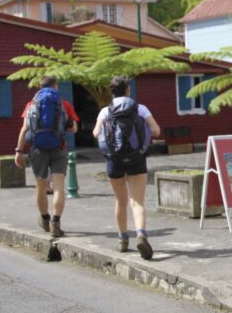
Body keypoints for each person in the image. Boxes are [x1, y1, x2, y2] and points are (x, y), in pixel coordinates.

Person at [93, 76, 160, 259]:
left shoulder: (106, 111)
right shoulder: (140, 109)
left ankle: (123, 239)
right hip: (137, 159)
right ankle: (141, 234)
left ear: (112, 92)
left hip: (114, 161)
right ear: (128, 90)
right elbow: (156, 130)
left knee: (120, 201)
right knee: (137, 201)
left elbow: (96, 133)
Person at [14, 76, 78, 238]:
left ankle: (44, 219)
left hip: (38, 149)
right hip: (59, 148)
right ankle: (56, 222)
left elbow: (24, 129)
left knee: (41, 187)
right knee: (58, 187)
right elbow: (74, 129)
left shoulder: (31, 105)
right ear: (55, 86)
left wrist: (18, 151)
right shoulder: (64, 104)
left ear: (39, 87)